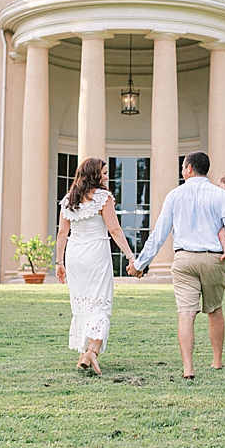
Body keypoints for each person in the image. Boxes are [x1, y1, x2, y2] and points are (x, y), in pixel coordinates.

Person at [132, 151, 225, 379]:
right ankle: (217, 361)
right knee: (214, 309)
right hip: (213, 258)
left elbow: (160, 233)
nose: (182, 171)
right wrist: (224, 232)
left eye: (183, 167)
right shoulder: (221, 195)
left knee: (185, 313)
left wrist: (141, 263)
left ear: (189, 169)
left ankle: (188, 369)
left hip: (183, 259)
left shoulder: (174, 195)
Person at [55, 157, 138, 376]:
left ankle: (86, 352)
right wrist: (131, 256)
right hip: (95, 255)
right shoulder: (103, 198)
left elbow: (62, 233)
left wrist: (59, 262)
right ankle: (91, 351)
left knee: (83, 304)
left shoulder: (68, 200)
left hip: (74, 255)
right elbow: (115, 230)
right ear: (95, 174)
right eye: (104, 172)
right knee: (99, 303)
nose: (107, 176)